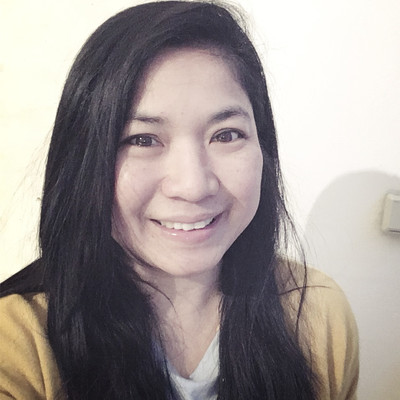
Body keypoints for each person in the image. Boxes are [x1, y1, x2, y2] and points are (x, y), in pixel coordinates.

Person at [0, 2, 359, 399]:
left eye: (226, 134)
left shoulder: (316, 315)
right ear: (84, 159)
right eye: (143, 139)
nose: (193, 186)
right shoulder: (16, 339)